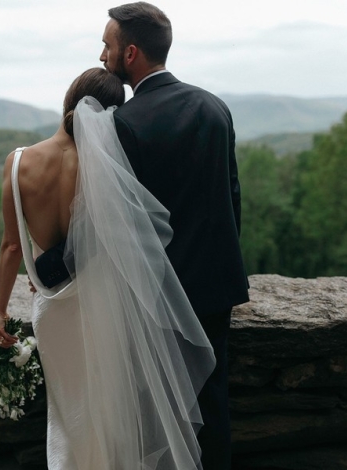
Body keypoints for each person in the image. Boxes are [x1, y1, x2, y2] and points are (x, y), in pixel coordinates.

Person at [0, 67, 216, 469]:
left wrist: (0, 311)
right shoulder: (103, 172)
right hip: (102, 305)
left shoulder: (18, 162)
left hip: (52, 310)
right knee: (109, 413)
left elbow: (11, 246)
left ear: (68, 98)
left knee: (66, 414)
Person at [100, 3, 250, 469]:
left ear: (130, 53)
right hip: (216, 285)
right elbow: (231, 197)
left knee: (162, 413)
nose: (101, 54)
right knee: (213, 404)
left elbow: (120, 224)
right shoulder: (214, 105)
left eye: (107, 45)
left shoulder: (126, 123)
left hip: (161, 296)